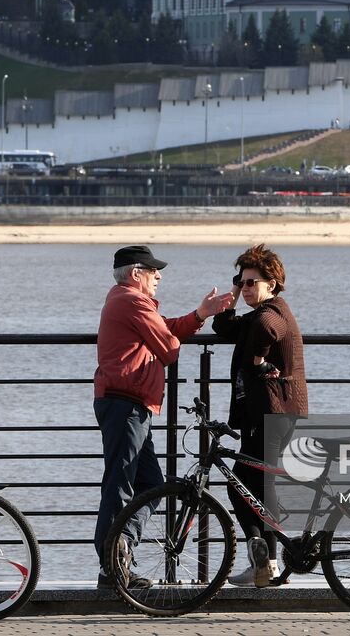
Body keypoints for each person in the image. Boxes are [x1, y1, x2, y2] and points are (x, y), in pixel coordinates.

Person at [93, 245, 232, 589]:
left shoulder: (126, 299)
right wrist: (178, 333)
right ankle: (113, 565)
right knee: (120, 484)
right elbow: (168, 348)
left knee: (151, 484)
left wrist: (200, 314)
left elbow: (164, 329)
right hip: (126, 405)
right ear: (135, 272)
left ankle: (120, 550)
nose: (159, 276)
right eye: (153, 270)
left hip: (132, 405)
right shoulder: (131, 300)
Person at [211, 243, 308, 587]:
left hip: (274, 414)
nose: (247, 286)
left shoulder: (274, 311)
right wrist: (235, 291)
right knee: (255, 487)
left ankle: (264, 559)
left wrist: (257, 360)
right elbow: (222, 327)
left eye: (253, 281)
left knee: (243, 487)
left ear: (272, 284)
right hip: (266, 414)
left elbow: (269, 328)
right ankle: (266, 563)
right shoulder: (256, 312)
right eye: (243, 281)